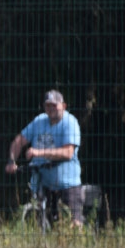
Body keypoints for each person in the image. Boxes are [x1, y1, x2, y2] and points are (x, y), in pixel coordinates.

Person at [5, 89, 83, 226]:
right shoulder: (39, 121)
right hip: (43, 183)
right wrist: (12, 161)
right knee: (41, 223)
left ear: (63, 106)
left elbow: (68, 152)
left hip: (67, 185)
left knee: (73, 225)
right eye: (47, 105)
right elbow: (18, 141)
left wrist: (39, 153)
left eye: (54, 105)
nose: (50, 108)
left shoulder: (70, 123)